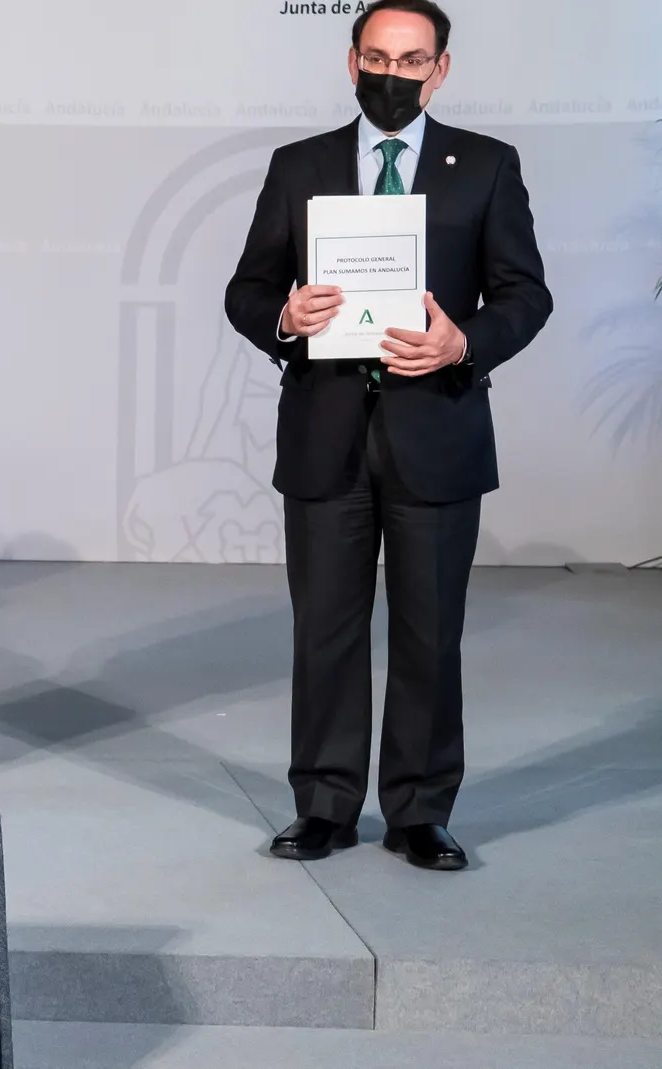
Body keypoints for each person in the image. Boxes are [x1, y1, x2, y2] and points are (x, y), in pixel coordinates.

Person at [226, 0, 551, 870]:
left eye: (412, 62)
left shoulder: (484, 166)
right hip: (326, 431)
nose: (392, 75)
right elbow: (246, 291)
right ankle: (325, 804)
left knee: (429, 630)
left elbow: (526, 293)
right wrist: (286, 318)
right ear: (351, 60)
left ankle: (418, 810)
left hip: (437, 428)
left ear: (440, 71)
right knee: (323, 630)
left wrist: (465, 341)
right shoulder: (300, 165)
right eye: (378, 57)